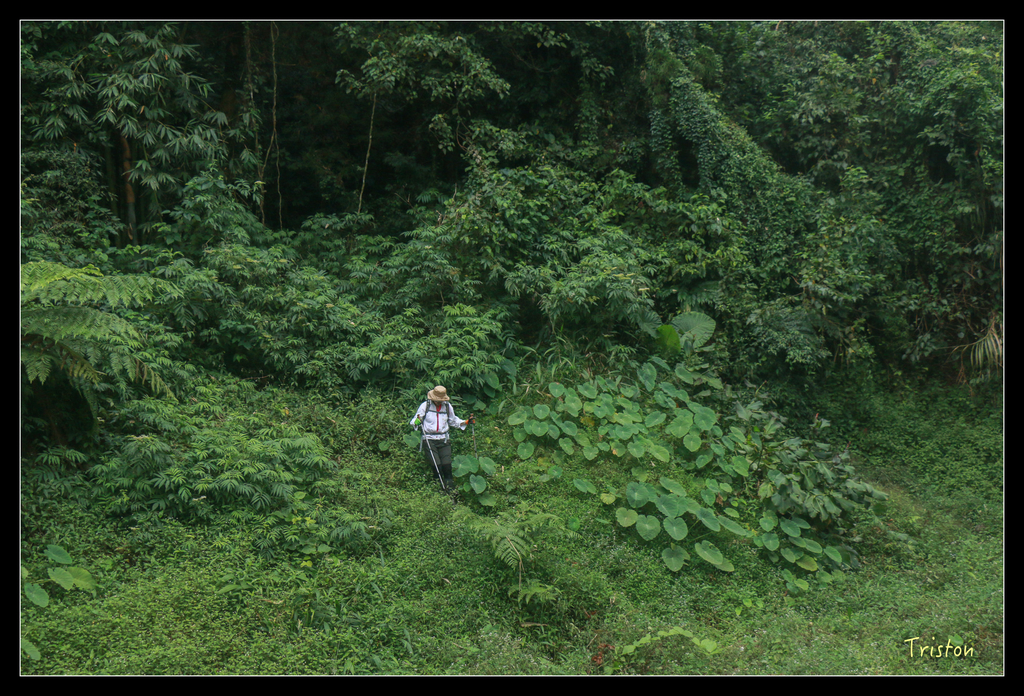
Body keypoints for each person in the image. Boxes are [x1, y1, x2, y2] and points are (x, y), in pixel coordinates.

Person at [410, 386, 471, 490]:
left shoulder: (447, 406)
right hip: (429, 439)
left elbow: (453, 420)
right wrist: (417, 421)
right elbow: (414, 421)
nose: (439, 402)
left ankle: (451, 491)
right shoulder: (425, 406)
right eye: (437, 400)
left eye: (441, 400)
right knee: (437, 466)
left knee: (447, 466)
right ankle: (439, 490)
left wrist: (465, 422)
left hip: (444, 439)